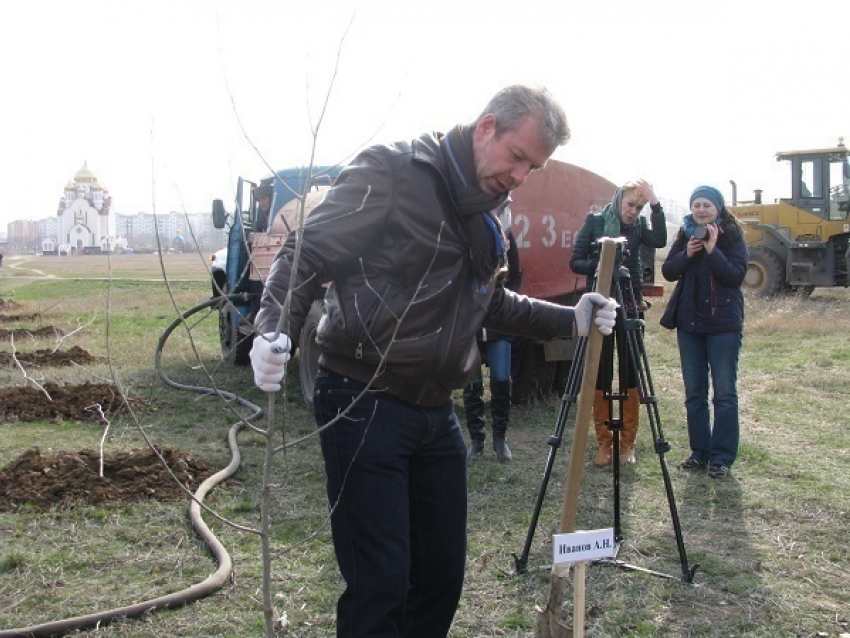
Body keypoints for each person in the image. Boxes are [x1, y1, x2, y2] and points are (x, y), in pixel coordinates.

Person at [249, 84, 618, 637]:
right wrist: (273, 329)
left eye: (533, 168)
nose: (520, 176)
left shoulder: (492, 206)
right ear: (487, 126)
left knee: (441, 577)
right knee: (382, 582)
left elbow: (486, 300)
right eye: (518, 157)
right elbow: (307, 255)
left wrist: (571, 319)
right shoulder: (394, 172)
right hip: (361, 397)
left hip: (434, 411)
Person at [570, 180, 667, 466]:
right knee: (600, 371)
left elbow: (660, 240)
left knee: (629, 372)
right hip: (600, 304)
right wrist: (600, 265)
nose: (633, 212)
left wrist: (656, 203)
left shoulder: (638, 227)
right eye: (630, 205)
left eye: (639, 207)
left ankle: (626, 444)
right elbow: (575, 262)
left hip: (629, 303)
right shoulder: (596, 222)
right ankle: (604, 444)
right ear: (618, 201)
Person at [660, 185, 748, 479]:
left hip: (723, 325)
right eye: (696, 204)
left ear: (718, 208)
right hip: (690, 325)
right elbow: (670, 271)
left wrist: (712, 251)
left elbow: (735, 276)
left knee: (723, 393)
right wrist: (687, 253)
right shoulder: (685, 234)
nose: (700, 210)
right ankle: (700, 452)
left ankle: (721, 457)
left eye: (706, 205)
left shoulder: (732, 236)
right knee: (694, 393)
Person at [463, 201, 522, 462]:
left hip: (498, 322)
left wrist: (505, 303)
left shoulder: (508, 239)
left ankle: (500, 439)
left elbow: (516, 275)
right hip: (470, 321)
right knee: (471, 382)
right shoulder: (466, 234)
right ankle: (477, 440)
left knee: (501, 378)